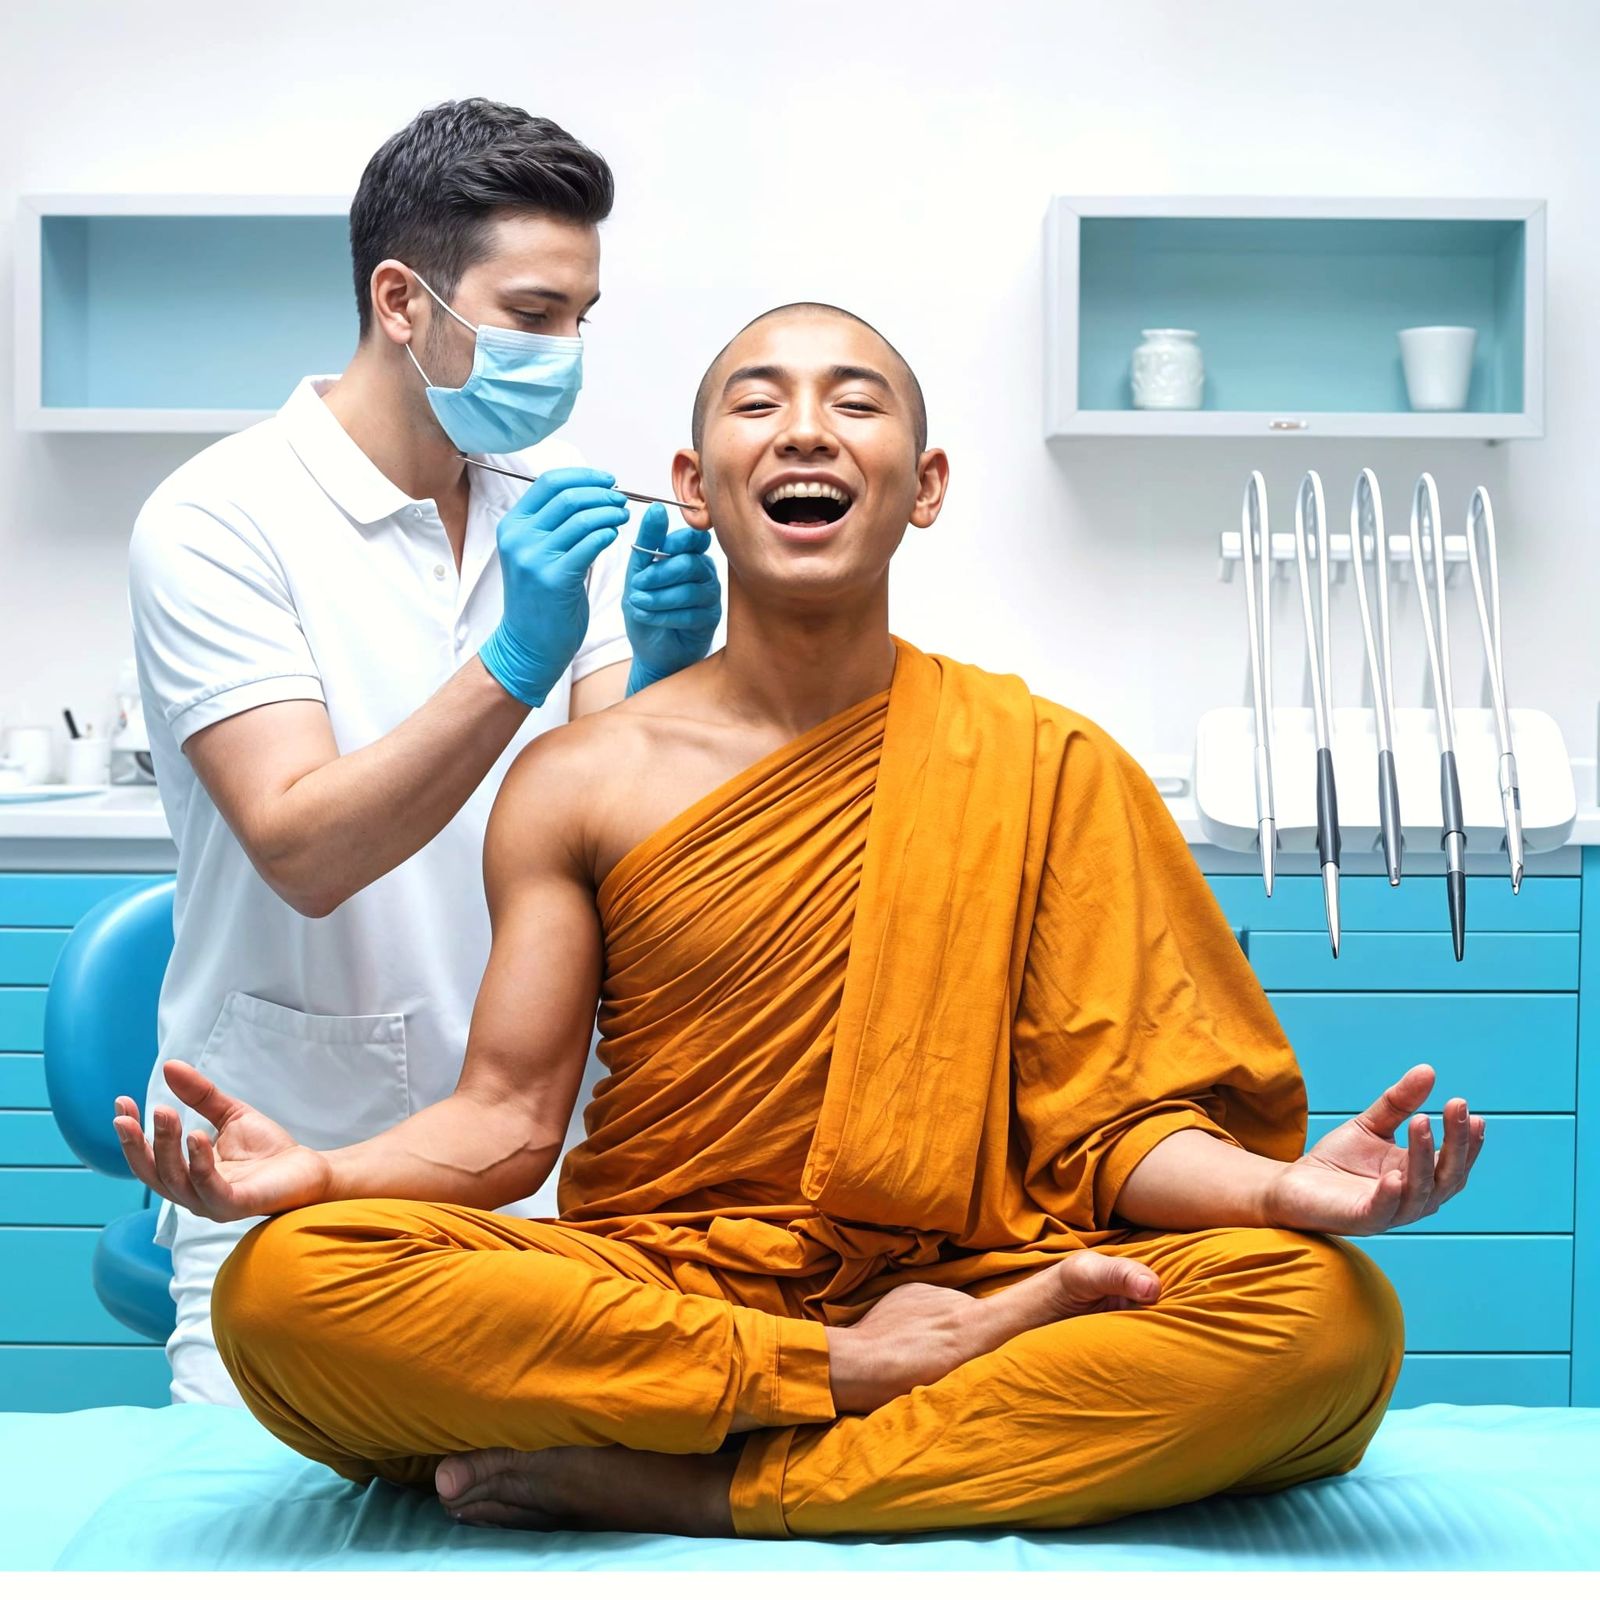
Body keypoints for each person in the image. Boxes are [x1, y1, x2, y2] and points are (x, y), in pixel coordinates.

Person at [116, 303, 1486, 1540]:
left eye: (856, 401)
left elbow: (1119, 1136)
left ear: (925, 487)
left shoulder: (1049, 762)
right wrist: (324, 1179)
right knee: (285, 1293)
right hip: (673, 1285)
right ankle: (848, 1384)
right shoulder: (580, 777)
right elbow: (509, 1123)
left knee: (1326, 1319)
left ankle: (706, 1482)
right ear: (694, 485)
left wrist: (1280, 1192)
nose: (807, 430)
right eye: (759, 402)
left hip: (991, 1282)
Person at [124, 99, 721, 1406]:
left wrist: (667, 671)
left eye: (582, 317)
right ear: (402, 300)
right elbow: (305, 848)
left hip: (543, 1168)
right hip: (287, 1170)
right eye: (534, 313)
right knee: (261, 1505)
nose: (565, 355)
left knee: (543, 1501)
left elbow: (612, 810)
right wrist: (516, 660)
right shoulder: (219, 519)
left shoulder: (550, 490)